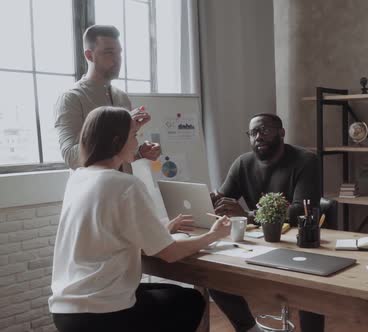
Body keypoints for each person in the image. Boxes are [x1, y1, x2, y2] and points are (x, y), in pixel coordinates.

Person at [49, 106, 232, 332]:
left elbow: (109, 230)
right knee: (191, 301)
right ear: (117, 141)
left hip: (66, 310)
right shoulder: (125, 184)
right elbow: (170, 253)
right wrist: (213, 235)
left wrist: (163, 228)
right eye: (134, 136)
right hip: (101, 315)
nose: (138, 143)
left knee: (173, 294)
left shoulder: (77, 178)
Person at [209, 113, 324, 332]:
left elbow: (299, 210)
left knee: (309, 288)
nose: (258, 137)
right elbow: (225, 198)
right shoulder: (243, 163)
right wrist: (213, 200)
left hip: (300, 243)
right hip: (259, 242)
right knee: (213, 274)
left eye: (264, 130)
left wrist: (247, 214)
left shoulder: (306, 160)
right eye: (253, 133)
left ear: (281, 133)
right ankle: (249, 328)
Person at [54, 24, 160, 171]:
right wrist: (120, 128)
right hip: (96, 191)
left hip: (124, 188)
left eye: (119, 53)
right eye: (109, 53)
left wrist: (140, 153)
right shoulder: (71, 98)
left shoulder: (122, 97)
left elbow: (119, 154)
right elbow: (70, 157)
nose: (118, 59)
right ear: (89, 55)